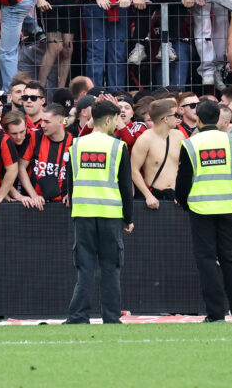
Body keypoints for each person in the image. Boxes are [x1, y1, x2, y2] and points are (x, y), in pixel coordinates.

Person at [175, 99, 232, 322]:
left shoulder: (190, 143)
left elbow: (183, 180)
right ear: (219, 118)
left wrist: (185, 202)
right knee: (231, 260)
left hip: (200, 208)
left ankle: (215, 313)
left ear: (198, 118)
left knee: (207, 261)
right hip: (227, 206)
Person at [66, 99, 135, 325]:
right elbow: (125, 186)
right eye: (116, 119)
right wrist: (128, 218)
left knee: (84, 268)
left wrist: (75, 210)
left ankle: (78, 316)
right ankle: (111, 317)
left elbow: (70, 183)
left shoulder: (76, 145)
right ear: (107, 120)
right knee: (111, 268)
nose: (117, 124)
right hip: (110, 214)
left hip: (83, 213)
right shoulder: (117, 146)